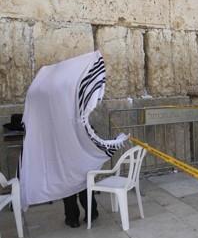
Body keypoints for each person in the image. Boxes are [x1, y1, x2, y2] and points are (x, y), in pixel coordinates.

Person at [20, 51, 128, 228]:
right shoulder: (67, 93)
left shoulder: (51, 94)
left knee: (66, 178)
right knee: (82, 178)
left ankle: (73, 217)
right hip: (74, 140)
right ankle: (90, 213)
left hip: (61, 144)